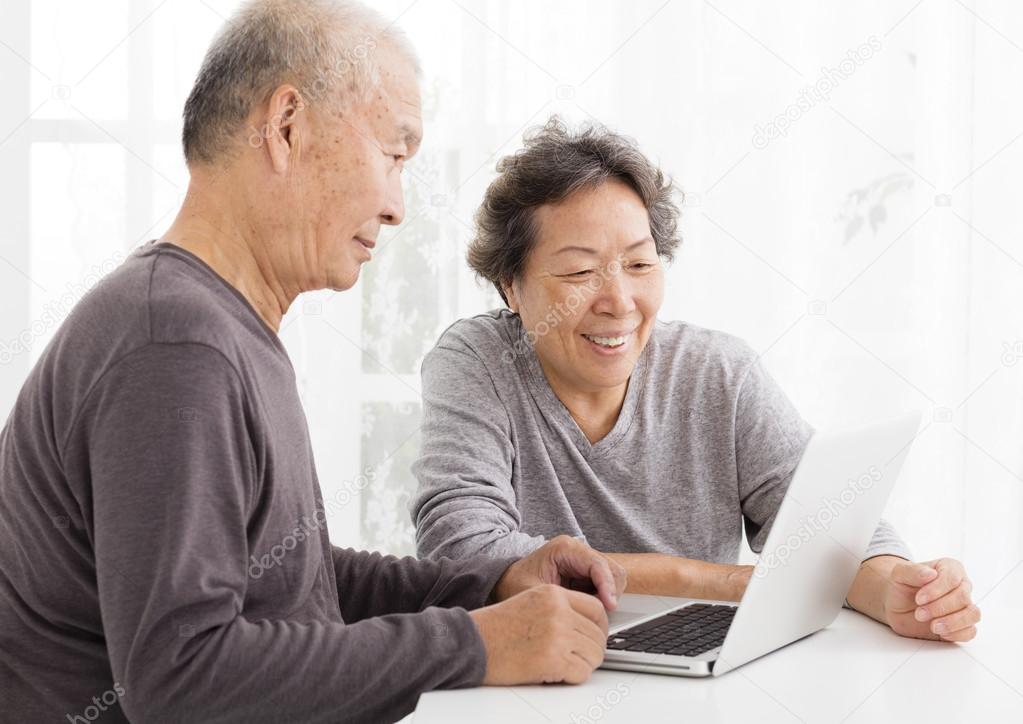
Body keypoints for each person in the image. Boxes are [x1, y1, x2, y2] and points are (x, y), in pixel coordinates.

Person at [0, 3, 628, 722]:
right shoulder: (174, 347)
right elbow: (180, 681)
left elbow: (292, 580)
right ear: (288, 125)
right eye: (393, 155)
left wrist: (489, 587)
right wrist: (474, 642)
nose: (396, 208)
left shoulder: (213, 324)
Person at [410, 117, 981, 644]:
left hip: (702, 673)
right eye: (581, 272)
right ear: (510, 286)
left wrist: (899, 589)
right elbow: (464, 551)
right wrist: (722, 583)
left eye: (640, 264)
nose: (620, 302)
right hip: (535, 676)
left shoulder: (716, 373)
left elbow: (828, 529)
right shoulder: (479, 361)